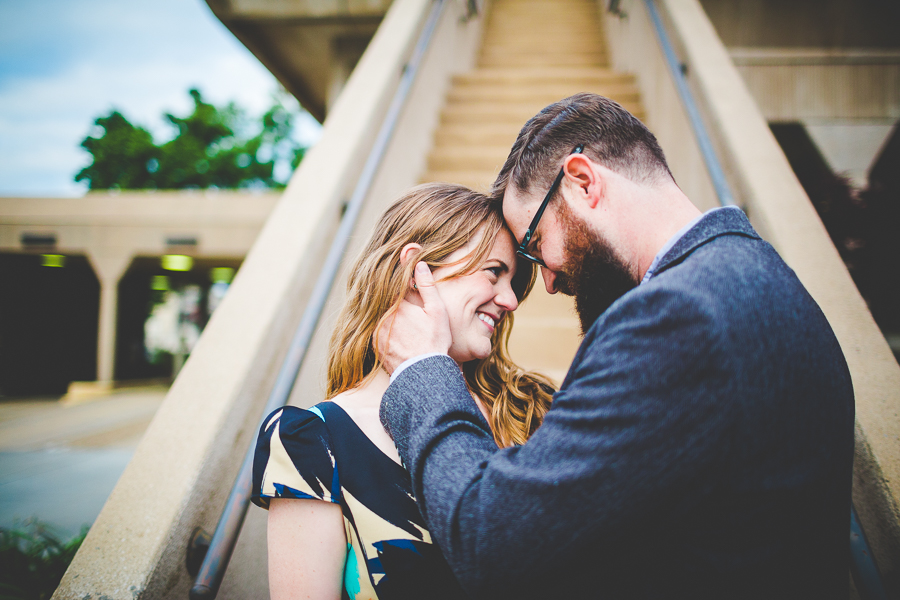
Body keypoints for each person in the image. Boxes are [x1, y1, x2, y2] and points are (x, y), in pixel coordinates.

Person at [377, 93, 856, 599]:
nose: (549, 284)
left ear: (583, 182)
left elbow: (493, 540)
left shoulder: (675, 319)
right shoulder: (762, 277)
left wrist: (423, 370)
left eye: (536, 246)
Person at [250, 183, 554, 599]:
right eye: (494, 271)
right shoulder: (312, 441)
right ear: (416, 271)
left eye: (514, 282)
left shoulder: (536, 407)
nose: (510, 300)